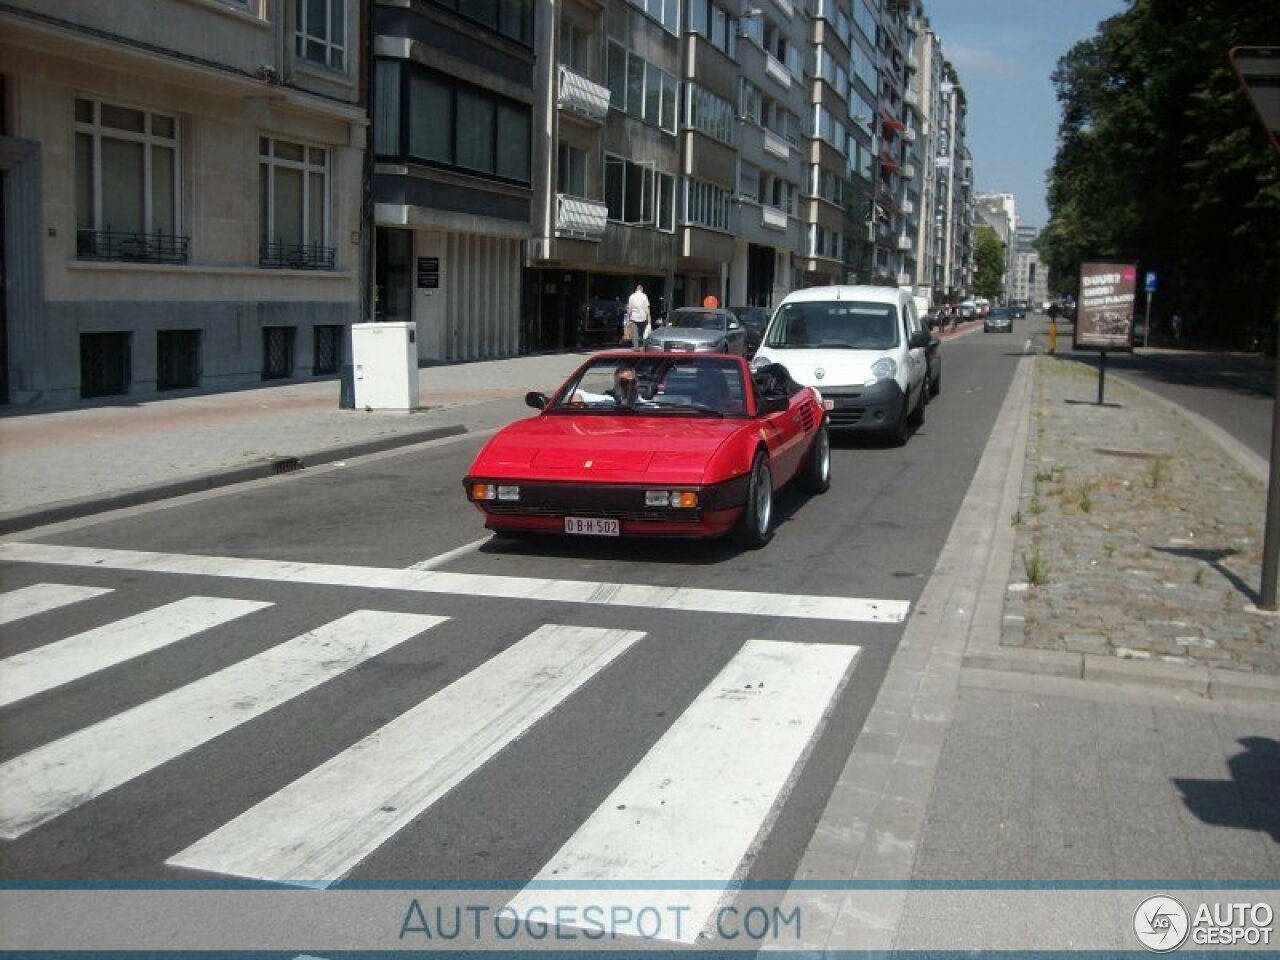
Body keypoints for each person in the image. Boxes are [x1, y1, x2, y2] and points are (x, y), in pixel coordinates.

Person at [627, 284, 651, 349]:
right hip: (643, 317)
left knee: (635, 333)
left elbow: (629, 308)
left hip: (634, 317)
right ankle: (645, 346)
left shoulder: (631, 296)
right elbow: (647, 308)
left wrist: (628, 318)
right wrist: (649, 318)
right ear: (642, 289)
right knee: (644, 333)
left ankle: (636, 347)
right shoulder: (644, 296)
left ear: (636, 289)